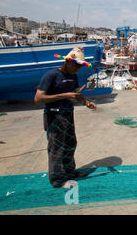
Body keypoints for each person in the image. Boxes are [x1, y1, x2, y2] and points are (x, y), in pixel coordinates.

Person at [34, 47, 96, 188]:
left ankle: (70, 172)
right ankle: (57, 179)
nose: (78, 69)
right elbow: (38, 98)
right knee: (57, 147)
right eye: (76, 65)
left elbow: (76, 94)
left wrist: (86, 102)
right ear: (67, 62)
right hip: (54, 115)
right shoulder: (51, 76)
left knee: (70, 144)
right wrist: (64, 96)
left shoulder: (73, 77)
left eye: (80, 66)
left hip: (68, 114)